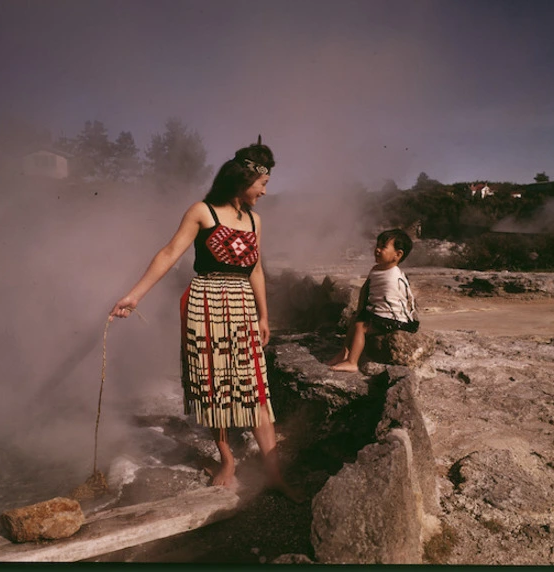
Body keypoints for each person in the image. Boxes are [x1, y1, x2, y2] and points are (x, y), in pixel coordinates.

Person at [109, 137, 301, 501]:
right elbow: (168, 254)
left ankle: (274, 475)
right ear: (243, 180)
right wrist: (134, 296)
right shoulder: (201, 212)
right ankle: (226, 460)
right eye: (262, 184)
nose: (264, 192)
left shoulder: (255, 220)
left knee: (255, 388)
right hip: (205, 303)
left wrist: (264, 315)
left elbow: (257, 269)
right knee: (214, 389)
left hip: (243, 305)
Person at [328, 228, 419, 373]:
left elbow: (395, 306)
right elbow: (365, 290)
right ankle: (344, 353)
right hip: (382, 313)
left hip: (395, 319)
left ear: (398, 254)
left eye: (383, 247)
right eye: (377, 245)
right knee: (355, 320)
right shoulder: (377, 269)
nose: (377, 250)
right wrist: (360, 311)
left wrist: (366, 317)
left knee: (361, 326)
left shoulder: (394, 277)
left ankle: (353, 362)